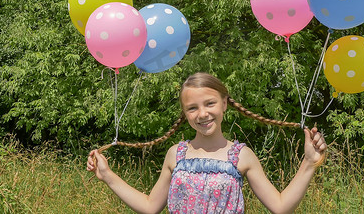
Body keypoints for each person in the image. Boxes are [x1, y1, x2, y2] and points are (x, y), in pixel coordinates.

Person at [87, 72, 327, 214]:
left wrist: (308, 163)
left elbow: (281, 206)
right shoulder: (176, 154)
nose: (202, 114)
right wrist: (108, 176)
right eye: (192, 108)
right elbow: (150, 206)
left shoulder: (241, 156)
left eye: (209, 103)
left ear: (224, 103)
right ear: (184, 112)